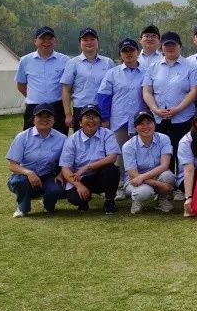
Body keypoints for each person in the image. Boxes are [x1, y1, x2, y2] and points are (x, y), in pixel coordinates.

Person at [142, 31, 197, 183]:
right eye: (167, 45)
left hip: (183, 118)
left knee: (183, 152)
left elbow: (193, 91)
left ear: (180, 46)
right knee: (163, 153)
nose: (170, 48)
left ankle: (182, 184)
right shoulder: (153, 67)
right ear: (161, 47)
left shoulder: (190, 67)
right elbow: (147, 91)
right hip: (159, 118)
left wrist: (178, 109)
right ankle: (165, 185)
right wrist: (155, 109)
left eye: (173, 44)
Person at [96, 38, 145, 200]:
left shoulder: (147, 72)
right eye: (125, 51)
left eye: (132, 50)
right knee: (118, 156)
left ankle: (137, 184)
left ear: (137, 52)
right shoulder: (113, 73)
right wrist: (104, 118)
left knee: (139, 154)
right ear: (120, 55)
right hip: (119, 120)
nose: (129, 54)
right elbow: (103, 96)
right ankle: (119, 187)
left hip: (141, 121)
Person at [5, 103, 67, 216]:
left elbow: (68, 161)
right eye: (40, 116)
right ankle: (22, 207)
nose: (44, 119)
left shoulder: (62, 139)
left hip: (48, 175)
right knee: (19, 182)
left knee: (57, 189)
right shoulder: (22, 137)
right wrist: (29, 173)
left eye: (48, 116)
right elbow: (12, 165)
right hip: (24, 176)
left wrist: (61, 174)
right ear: (33, 120)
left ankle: (47, 202)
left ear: (54, 120)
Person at [58, 105, 121, 213]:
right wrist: (79, 186)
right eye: (87, 116)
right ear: (80, 122)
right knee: (75, 198)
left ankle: (109, 201)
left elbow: (112, 157)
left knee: (112, 170)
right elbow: (65, 168)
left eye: (95, 117)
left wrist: (88, 167)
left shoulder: (107, 133)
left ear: (100, 122)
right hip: (80, 178)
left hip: (100, 175)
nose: (91, 120)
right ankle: (84, 200)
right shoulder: (71, 140)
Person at [121, 109, 176, 214]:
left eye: (148, 122)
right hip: (135, 181)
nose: (145, 126)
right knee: (143, 192)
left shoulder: (164, 138)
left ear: (154, 124)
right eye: (141, 124)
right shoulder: (128, 146)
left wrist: (145, 178)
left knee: (168, 176)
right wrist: (158, 184)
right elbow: (134, 176)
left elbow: (164, 165)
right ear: (135, 128)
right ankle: (137, 201)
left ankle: (161, 199)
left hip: (155, 176)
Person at [16, 25, 69, 133]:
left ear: (55, 41)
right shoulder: (25, 60)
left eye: (50, 38)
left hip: (57, 107)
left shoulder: (65, 60)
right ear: (35, 41)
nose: (46, 42)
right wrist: (34, 96)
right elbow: (21, 85)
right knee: (31, 139)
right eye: (42, 38)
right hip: (33, 108)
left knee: (59, 139)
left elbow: (69, 87)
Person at [60, 27, 114, 132]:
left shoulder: (108, 62)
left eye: (92, 39)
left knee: (104, 139)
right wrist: (68, 114)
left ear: (98, 41)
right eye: (85, 40)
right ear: (80, 43)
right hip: (81, 109)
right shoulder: (73, 63)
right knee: (82, 140)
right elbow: (66, 90)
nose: (89, 42)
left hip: (103, 109)